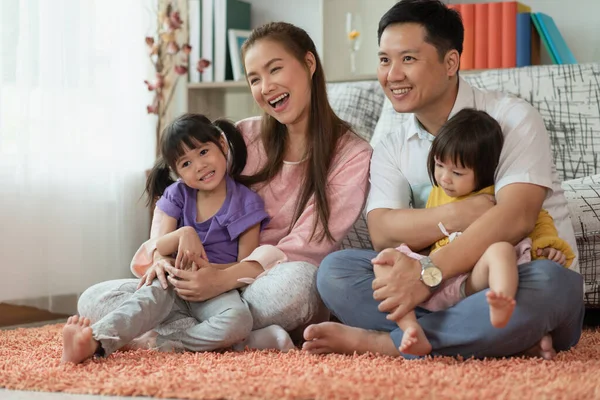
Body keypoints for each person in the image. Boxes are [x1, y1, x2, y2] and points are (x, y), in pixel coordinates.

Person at [303, 0, 584, 360]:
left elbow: (515, 217)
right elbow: (384, 232)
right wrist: (460, 215)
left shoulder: (512, 118)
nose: (392, 75)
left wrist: (426, 277)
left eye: (408, 59)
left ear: (450, 62)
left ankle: (382, 343)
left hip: (516, 277)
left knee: (550, 283)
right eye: (385, 60)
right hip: (443, 290)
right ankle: (498, 337)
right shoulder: (391, 144)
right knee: (335, 272)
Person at [74, 21, 373, 357]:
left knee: (301, 283)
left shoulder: (352, 154)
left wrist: (223, 279)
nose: (266, 87)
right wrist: (161, 255)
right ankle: (243, 337)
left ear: (308, 63)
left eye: (275, 69)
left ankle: (178, 333)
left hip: (264, 285)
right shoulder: (243, 136)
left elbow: (308, 244)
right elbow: (179, 191)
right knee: (93, 300)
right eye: (255, 79)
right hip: (196, 281)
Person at [62, 114, 270, 363]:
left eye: (203, 152)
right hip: (171, 284)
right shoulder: (178, 195)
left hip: (216, 290)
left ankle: (161, 342)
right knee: (97, 297)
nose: (199, 166)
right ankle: (94, 342)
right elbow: (158, 247)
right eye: (186, 163)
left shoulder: (246, 202)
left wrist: (209, 274)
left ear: (222, 145)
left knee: (239, 320)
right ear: (177, 172)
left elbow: (243, 265)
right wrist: (185, 234)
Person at [381, 108, 575, 356]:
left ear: (483, 171)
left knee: (503, 251)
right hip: (434, 284)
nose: (444, 178)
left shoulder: (496, 196)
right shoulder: (436, 194)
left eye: (457, 173)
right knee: (367, 262)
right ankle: (411, 328)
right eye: (439, 165)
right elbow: (425, 242)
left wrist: (548, 246)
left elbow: (538, 220)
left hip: (475, 281)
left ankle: (501, 303)